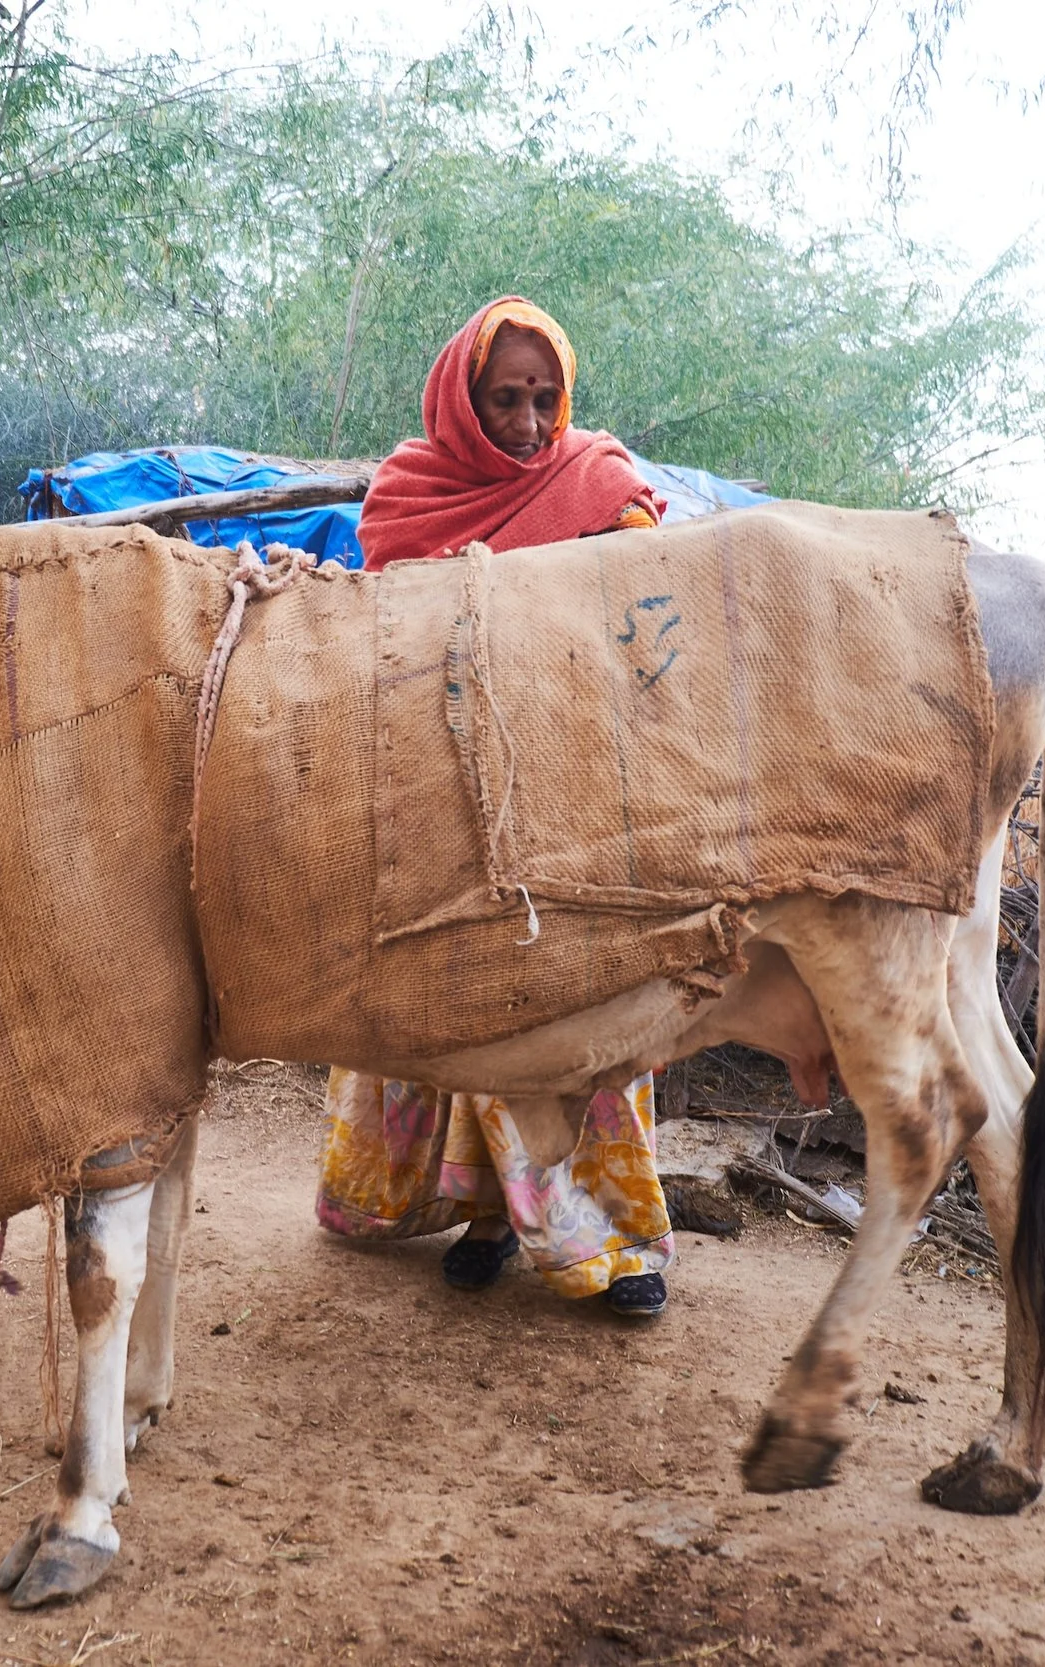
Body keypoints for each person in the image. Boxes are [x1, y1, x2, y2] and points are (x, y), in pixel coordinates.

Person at [316, 296, 673, 1317]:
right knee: (463, 998)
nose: (526, 423)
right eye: (504, 399)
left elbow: (649, 630)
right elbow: (386, 642)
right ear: (461, 402)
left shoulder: (601, 483)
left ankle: (610, 1242)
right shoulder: (408, 495)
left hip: (582, 796)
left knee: (591, 1014)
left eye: (543, 399)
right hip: (447, 793)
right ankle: (484, 1217)